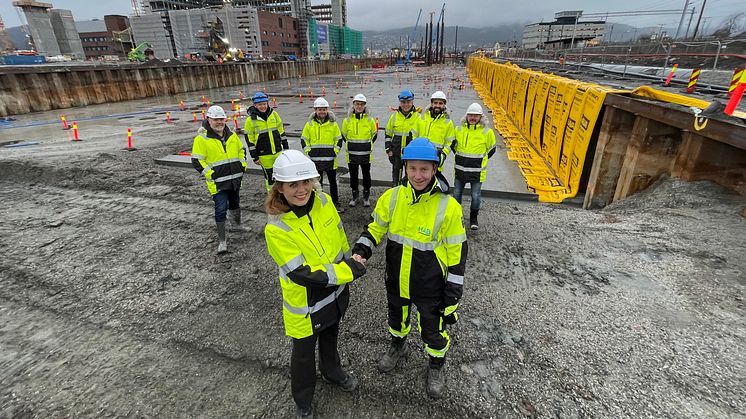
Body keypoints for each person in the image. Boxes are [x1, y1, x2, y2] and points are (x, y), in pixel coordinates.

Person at [352, 138, 467, 399]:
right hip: (396, 279)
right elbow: (374, 228)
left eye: (424, 169)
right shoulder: (392, 198)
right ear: (404, 168)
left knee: (433, 329)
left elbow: (457, 253)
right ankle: (397, 346)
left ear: (435, 169)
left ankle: (436, 365)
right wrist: (361, 250)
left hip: (431, 285)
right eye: (412, 169)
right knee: (396, 318)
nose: (418, 175)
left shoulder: (448, 207)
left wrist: (454, 290)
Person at [264, 149, 367, 419]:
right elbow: (303, 273)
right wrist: (349, 271)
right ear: (280, 188)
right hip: (306, 305)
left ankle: (332, 372)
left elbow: (339, 234)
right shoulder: (277, 228)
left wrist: (349, 258)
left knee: (331, 337)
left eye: (305, 181)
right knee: (303, 356)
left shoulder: (324, 201)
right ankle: (303, 400)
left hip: (334, 294)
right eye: (293, 185)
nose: (301, 190)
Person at [191, 105, 247, 254]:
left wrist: (242, 166)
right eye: (216, 119)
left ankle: (237, 225)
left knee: (235, 203)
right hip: (218, 183)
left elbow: (241, 151)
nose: (219, 122)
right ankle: (222, 241)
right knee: (221, 209)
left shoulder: (232, 135)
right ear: (208, 119)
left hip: (234, 179)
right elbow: (197, 161)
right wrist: (212, 174)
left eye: (221, 119)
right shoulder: (202, 139)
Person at [452, 103, 497, 231]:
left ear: (480, 117)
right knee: (457, 194)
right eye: (470, 115)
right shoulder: (459, 129)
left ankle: (473, 218)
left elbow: (491, 150)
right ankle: (456, 216)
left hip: (477, 172)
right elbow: (453, 146)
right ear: (466, 116)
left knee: (476, 196)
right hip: (460, 169)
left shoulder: (487, 132)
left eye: (476, 115)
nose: (473, 118)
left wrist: (479, 161)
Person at [301, 97, 345, 212]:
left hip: (330, 160)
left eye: (324, 109)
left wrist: (335, 151)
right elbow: (304, 140)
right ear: (315, 110)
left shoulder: (333, 124)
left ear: (327, 110)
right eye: (319, 109)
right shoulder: (309, 124)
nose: (322, 111)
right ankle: (317, 203)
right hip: (315, 160)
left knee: (332, 183)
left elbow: (339, 140)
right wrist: (309, 152)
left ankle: (335, 203)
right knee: (317, 184)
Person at [244, 91, 289, 191]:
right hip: (264, 155)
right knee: (270, 178)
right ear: (255, 105)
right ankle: (273, 198)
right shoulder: (250, 120)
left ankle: (283, 195)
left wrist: (286, 147)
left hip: (278, 152)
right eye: (260, 104)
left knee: (282, 175)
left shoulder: (274, 115)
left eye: (264, 104)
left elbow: (281, 131)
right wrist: (255, 157)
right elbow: (249, 141)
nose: (263, 106)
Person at [341, 93, 377, 207]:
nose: (359, 106)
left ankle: (366, 197)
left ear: (364, 106)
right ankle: (355, 196)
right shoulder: (347, 121)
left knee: (366, 176)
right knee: (353, 176)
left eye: (361, 104)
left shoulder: (370, 120)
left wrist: (366, 146)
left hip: (366, 154)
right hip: (352, 155)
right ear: (354, 105)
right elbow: (344, 136)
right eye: (357, 104)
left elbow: (374, 135)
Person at [384, 89, 420, 186]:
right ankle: (396, 198)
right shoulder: (394, 117)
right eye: (403, 102)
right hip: (396, 154)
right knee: (396, 181)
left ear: (412, 102)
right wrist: (388, 150)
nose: (406, 105)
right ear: (400, 103)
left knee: (410, 180)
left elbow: (421, 138)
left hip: (411, 156)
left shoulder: (418, 117)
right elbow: (388, 134)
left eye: (408, 102)